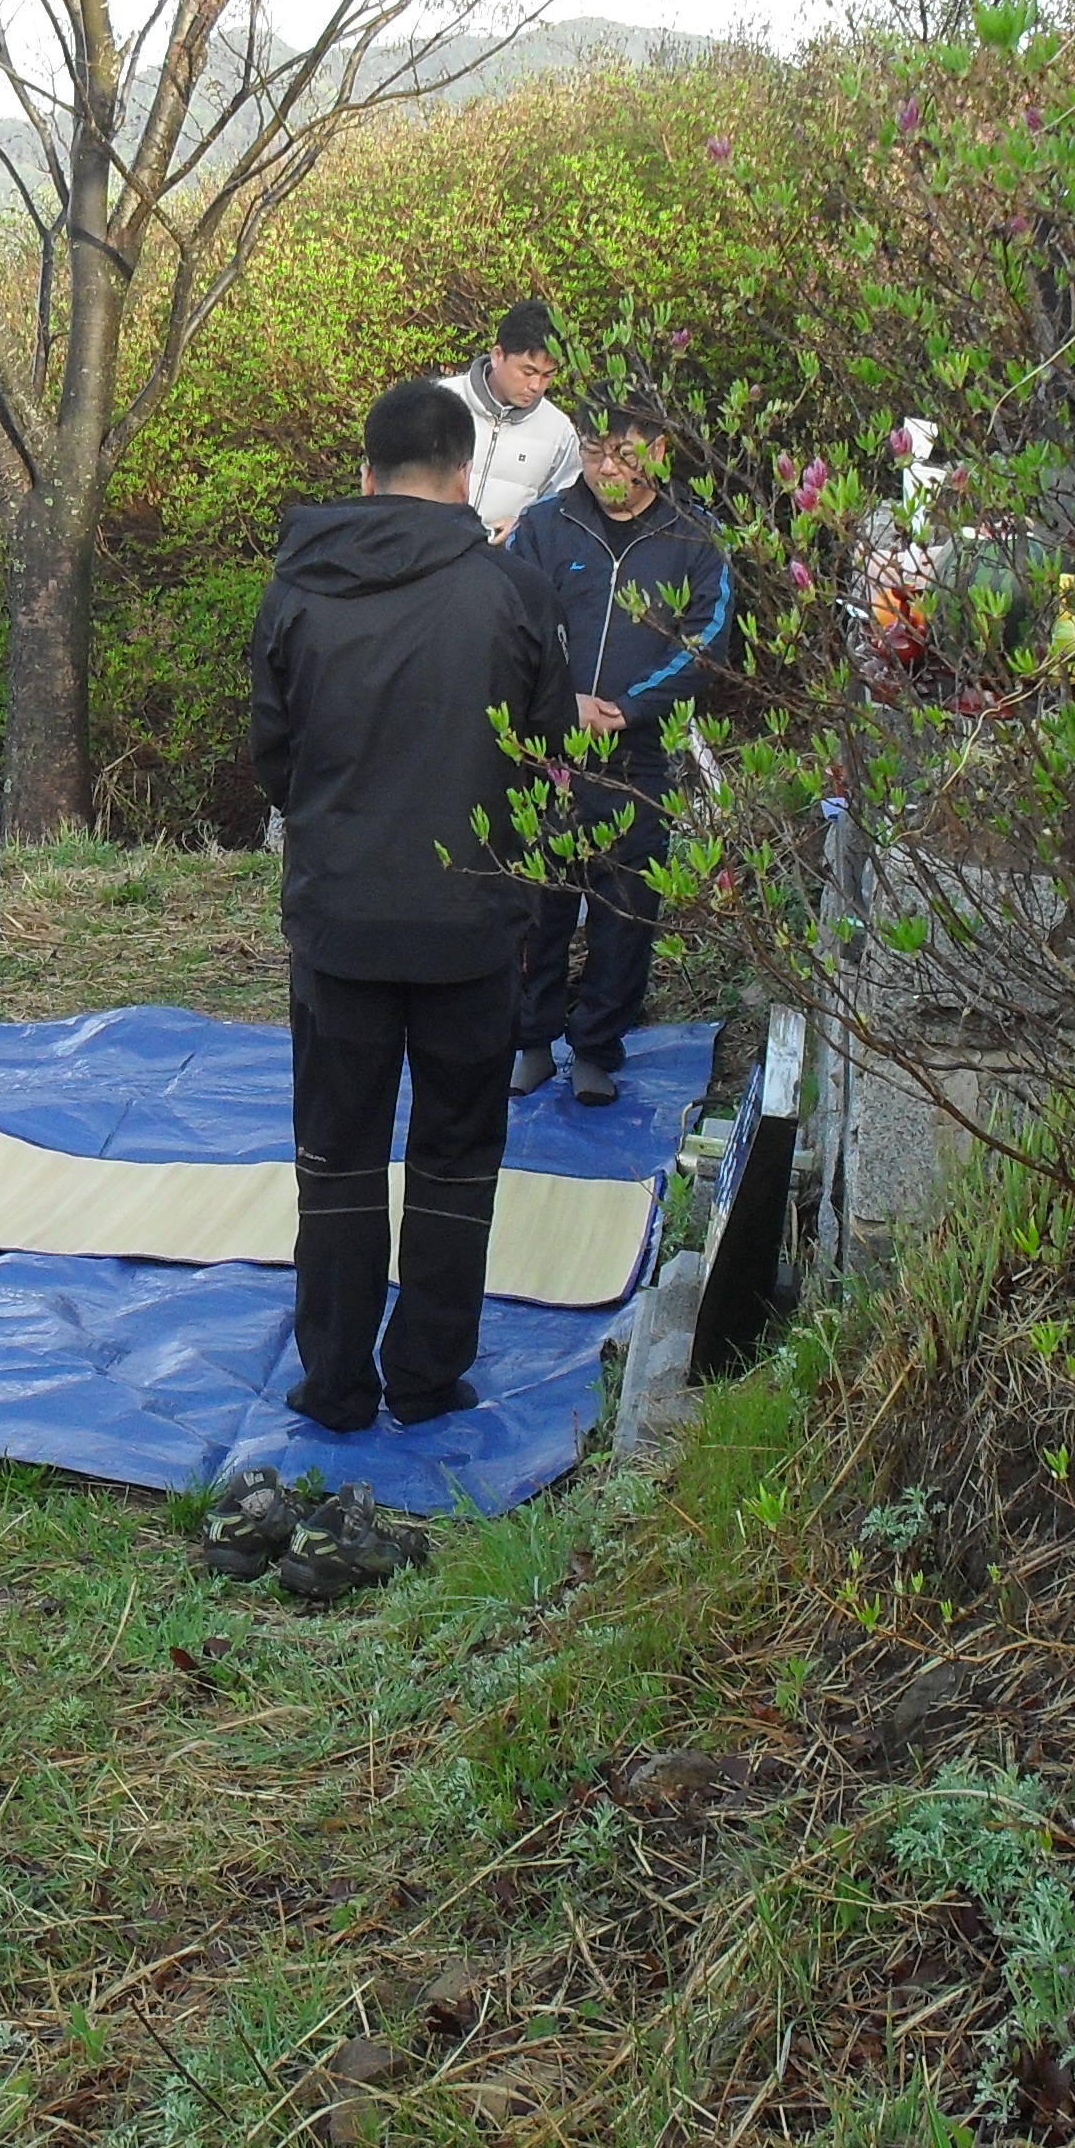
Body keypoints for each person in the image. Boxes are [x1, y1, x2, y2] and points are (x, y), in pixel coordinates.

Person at [248, 378, 566, 1431]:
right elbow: (549, 753)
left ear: (366, 470)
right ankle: (428, 1375)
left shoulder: (299, 588)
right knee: (455, 1153)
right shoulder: (511, 591)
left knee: (335, 1155)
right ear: (464, 473)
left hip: (340, 915)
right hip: (471, 921)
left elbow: (274, 761)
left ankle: (334, 1380)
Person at [507, 390, 733, 1107]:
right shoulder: (544, 528)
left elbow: (707, 643)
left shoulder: (693, 541)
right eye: (595, 452)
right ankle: (530, 1039)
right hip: (544, 754)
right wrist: (555, 706)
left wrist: (629, 711)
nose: (606, 469)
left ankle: (599, 1045)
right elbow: (510, 622)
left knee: (626, 908)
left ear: (658, 454)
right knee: (535, 904)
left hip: (637, 758)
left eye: (623, 455)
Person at [444, 298, 582, 543]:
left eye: (547, 375)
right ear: (498, 355)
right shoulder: (440, 402)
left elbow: (565, 506)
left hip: (503, 568)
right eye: (527, 371)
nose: (536, 386)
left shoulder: (559, 432)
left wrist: (523, 525)